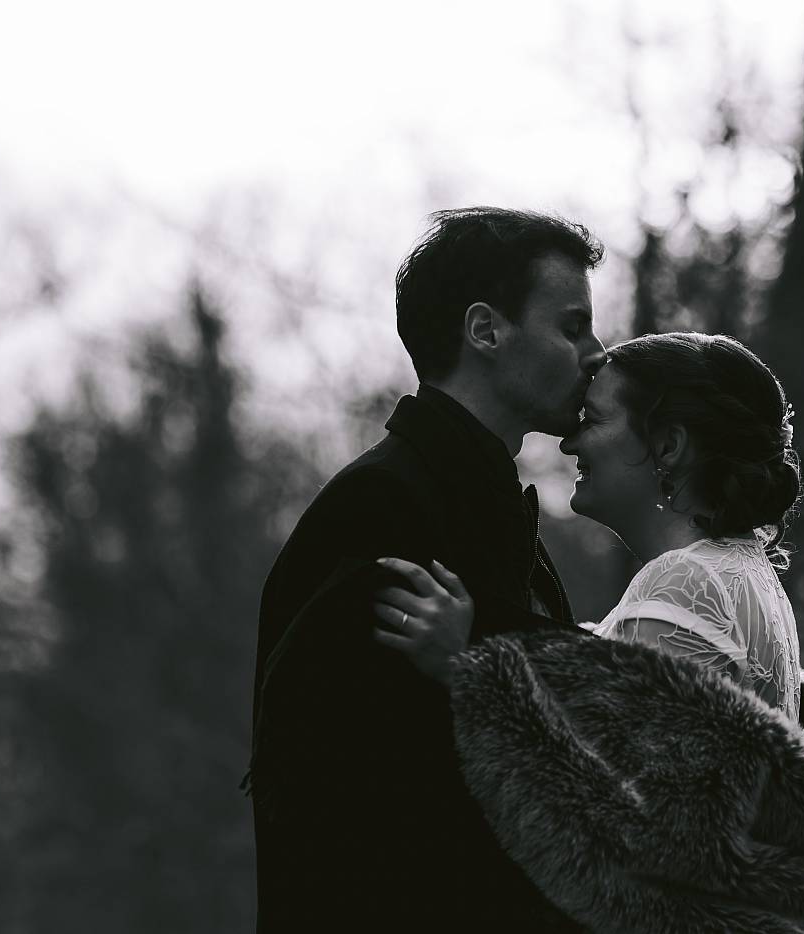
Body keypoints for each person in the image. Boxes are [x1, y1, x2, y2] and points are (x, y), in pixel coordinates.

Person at [374, 333, 804, 933]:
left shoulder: (683, 585)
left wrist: (471, 675)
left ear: (666, 445)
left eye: (593, 419)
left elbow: (626, 849)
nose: (569, 440)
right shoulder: (743, 573)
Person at [245, 207, 606, 933]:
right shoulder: (382, 509)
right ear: (485, 331)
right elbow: (342, 799)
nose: (596, 353)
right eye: (571, 326)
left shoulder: (491, 508)